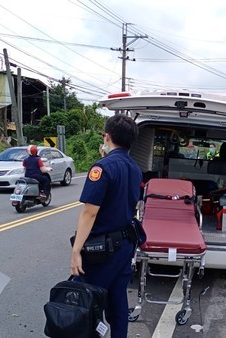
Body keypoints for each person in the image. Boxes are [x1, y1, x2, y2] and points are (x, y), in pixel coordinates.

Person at [70, 114, 142, 338]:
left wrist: (75, 252)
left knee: (87, 300)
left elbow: (89, 213)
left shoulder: (101, 168)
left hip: (101, 251)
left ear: (106, 136)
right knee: (117, 298)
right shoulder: (134, 168)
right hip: (124, 245)